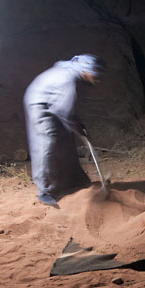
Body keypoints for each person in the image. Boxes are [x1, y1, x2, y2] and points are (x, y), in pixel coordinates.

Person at [24, 54, 103, 207]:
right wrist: (78, 128)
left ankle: (76, 181)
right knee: (47, 141)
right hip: (38, 104)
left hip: (51, 103)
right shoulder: (67, 79)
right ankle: (45, 191)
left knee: (67, 140)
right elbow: (63, 111)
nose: (97, 79)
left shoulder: (73, 74)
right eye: (96, 74)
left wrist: (76, 126)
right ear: (88, 70)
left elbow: (65, 109)